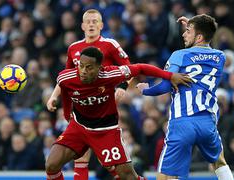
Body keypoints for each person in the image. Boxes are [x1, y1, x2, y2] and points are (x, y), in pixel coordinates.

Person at [45, 46, 191, 180]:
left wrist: (170, 76)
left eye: (89, 67)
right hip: (78, 127)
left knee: (128, 176)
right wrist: (66, 115)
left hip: (106, 131)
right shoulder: (66, 77)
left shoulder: (111, 74)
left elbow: (140, 68)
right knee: (51, 165)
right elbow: (65, 93)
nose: (83, 71)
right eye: (81, 66)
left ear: (99, 67)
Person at [136, 14, 234, 180]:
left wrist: (146, 90)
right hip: (207, 122)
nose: (183, 34)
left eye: (187, 31)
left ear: (199, 36)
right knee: (220, 162)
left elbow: (166, 86)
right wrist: (195, 25)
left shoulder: (179, 55)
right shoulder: (220, 57)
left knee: (165, 174)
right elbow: (203, 46)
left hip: (182, 121)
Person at [46, 9, 132, 180]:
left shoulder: (110, 44)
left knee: (108, 161)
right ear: (82, 26)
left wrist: (122, 86)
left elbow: (128, 67)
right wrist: (53, 96)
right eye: (88, 21)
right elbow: (66, 76)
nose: (92, 24)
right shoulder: (73, 48)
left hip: (104, 104)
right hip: (81, 104)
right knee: (80, 152)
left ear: (101, 25)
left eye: (95, 21)